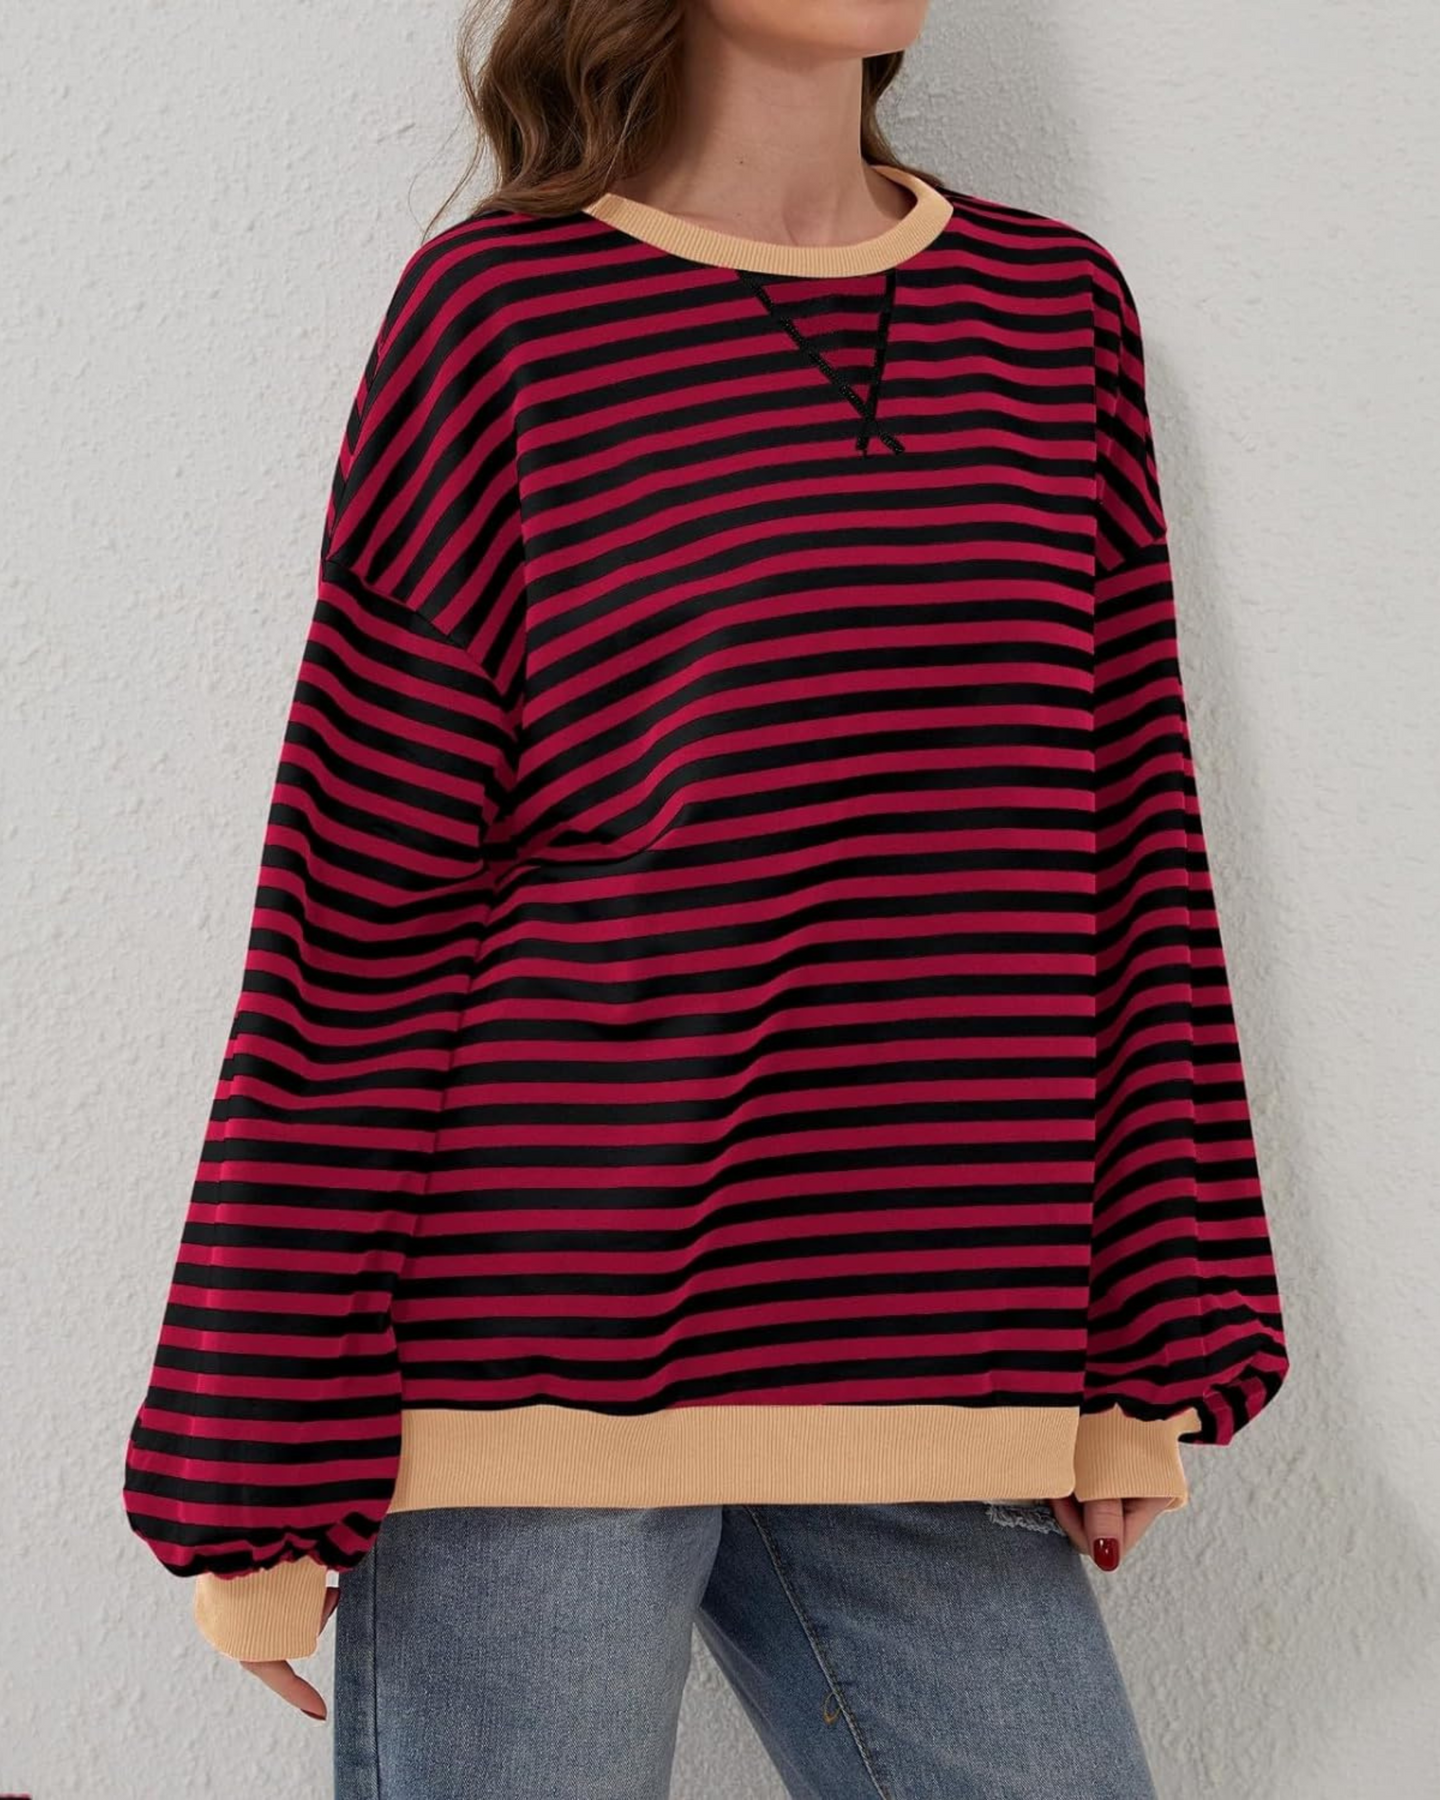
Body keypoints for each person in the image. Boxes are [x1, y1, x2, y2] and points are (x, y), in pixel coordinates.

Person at [121, 2, 1290, 1794]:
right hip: (530, 1362)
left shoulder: (1052, 315)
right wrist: (258, 1451)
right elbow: (358, 894)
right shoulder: (505, 316)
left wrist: (1146, 1341)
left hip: (937, 1339)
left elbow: (1129, 830)